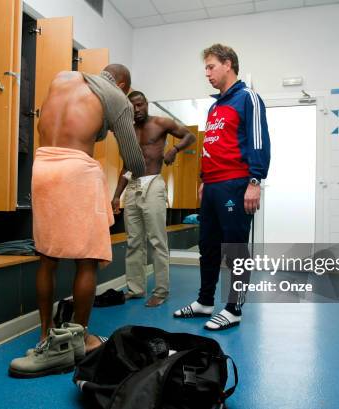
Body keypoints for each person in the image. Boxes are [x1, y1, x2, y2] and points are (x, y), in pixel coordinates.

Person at [9, 64, 145, 377]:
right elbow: (135, 160)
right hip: (75, 171)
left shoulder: (61, 78)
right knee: (86, 260)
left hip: (42, 167)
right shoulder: (116, 97)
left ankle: (45, 335)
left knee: (47, 257)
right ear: (122, 83)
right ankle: (78, 338)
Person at [173, 44, 270, 331]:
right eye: (206, 67)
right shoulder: (215, 107)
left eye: (210, 66)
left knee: (235, 250)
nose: (207, 73)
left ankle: (234, 308)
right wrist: (204, 180)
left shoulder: (247, 98)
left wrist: (255, 180)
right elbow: (211, 147)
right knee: (208, 247)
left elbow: (258, 141)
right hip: (213, 187)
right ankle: (205, 302)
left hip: (236, 184)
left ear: (228, 64)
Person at [111, 91, 196, 307]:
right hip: (132, 185)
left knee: (157, 240)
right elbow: (126, 165)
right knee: (133, 241)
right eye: (133, 107)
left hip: (153, 185)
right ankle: (136, 288)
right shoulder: (127, 131)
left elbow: (190, 136)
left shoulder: (161, 123)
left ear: (146, 104)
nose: (137, 109)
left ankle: (161, 290)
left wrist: (175, 149)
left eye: (140, 105)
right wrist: (116, 196)